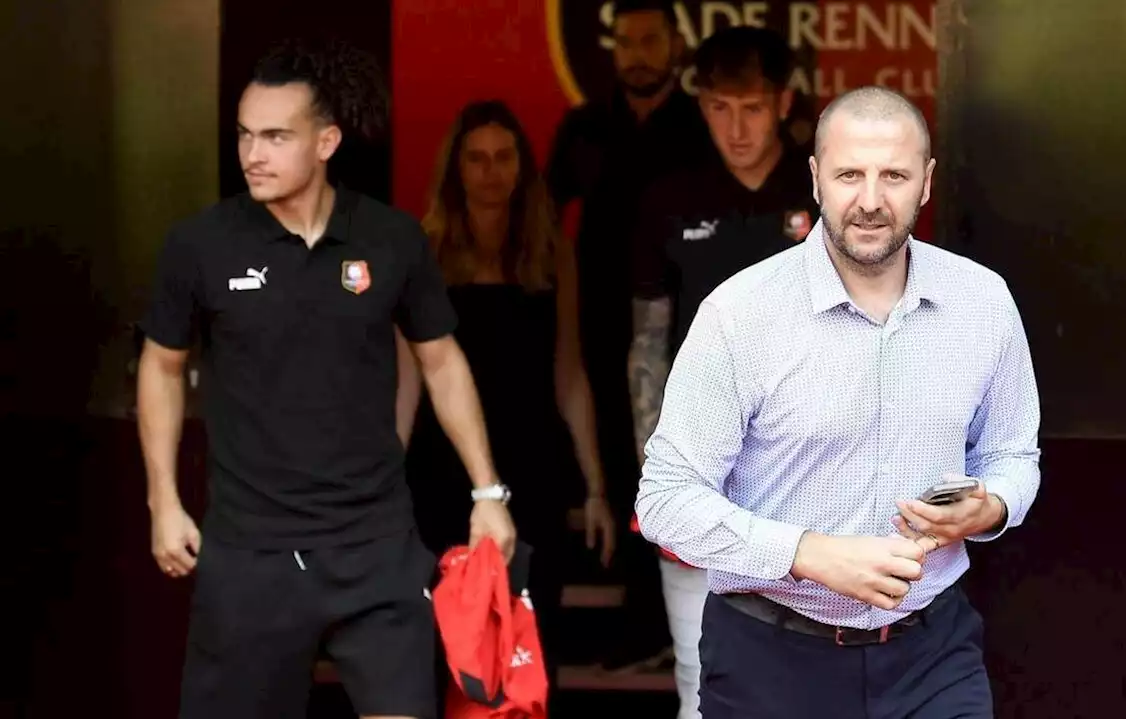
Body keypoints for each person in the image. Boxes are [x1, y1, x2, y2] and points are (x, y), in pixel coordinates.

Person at [136, 40, 516, 719]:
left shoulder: (391, 239)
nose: (254, 153)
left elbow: (441, 360)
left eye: (276, 136)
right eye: (246, 135)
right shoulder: (200, 244)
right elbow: (161, 367)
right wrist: (162, 500)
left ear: (326, 141)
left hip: (374, 544)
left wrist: (487, 489)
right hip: (250, 551)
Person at [635, 85, 1042, 719]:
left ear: (928, 182)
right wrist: (807, 553)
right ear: (816, 178)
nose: (872, 201)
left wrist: (989, 507)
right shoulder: (739, 315)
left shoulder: (982, 303)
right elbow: (664, 500)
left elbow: (1013, 453)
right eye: (851, 174)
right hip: (770, 659)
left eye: (895, 176)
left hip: (932, 653)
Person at [626, 26, 818, 719]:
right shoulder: (669, 199)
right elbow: (648, 343)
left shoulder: (824, 188)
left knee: (813, 678)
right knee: (700, 683)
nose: (736, 128)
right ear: (699, 102)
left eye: (753, 108)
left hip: (812, 467)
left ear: (784, 101)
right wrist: (660, 465)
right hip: (702, 464)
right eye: (719, 107)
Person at [405, 99, 617, 714]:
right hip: (439, 470)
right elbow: (409, 381)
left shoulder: (551, 253)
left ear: (522, 168)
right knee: (440, 642)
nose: (490, 172)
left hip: (534, 467)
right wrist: (386, 486)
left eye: (504, 158)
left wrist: (596, 487)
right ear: (456, 169)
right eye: (476, 159)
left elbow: (569, 373)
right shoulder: (423, 253)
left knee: (529, 640)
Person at [546, 0, 715, 671]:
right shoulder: (585, 128)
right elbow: (542, 213)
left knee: (673, 473)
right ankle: (629, 621)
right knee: (614, 468)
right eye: (628, 42)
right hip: (597, 331)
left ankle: (666, 624)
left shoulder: (701, 124)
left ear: (676, 44)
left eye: (652, 40)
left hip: (689, 334)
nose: (638, 53)